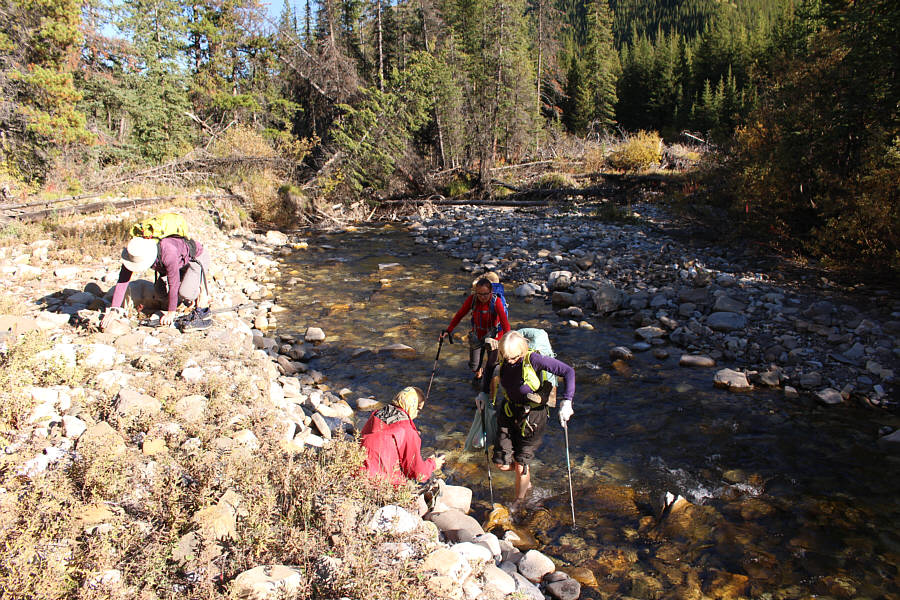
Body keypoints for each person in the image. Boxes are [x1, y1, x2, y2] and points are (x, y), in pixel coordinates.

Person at [486, 330, 575, 510]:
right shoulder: (504, 357)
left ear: (523, 350)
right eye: (506, 357)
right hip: (509, 412)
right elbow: (490, 370)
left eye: (513, 358)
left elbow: (568, 371)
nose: (509, 361)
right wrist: (482, 393)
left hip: (533, 417)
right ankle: (526, 478)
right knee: (501, 463)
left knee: (520, 464)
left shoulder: (533, 359)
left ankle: (518, 504)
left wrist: (567, 401)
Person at [101, 234, 211, 331]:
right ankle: (188, 283)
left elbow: (174, 283)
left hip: (196, 260)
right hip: (178, 265)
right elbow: (123, 281)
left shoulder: (168, 253)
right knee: (160, 294)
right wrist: (114, 309)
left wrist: (171, 313)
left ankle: (202, 291)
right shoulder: (133, 254)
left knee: (186, 293)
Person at [360, 386, 445, 486]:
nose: (417, 414)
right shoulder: (406, 430)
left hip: (357, 472)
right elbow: (417, 473)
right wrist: (433, 464)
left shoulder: (377, 414)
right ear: (412, 405)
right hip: (379, 484)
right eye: (418, 409)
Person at [440, 276, 511, 392]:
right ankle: (479, 372)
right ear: (476, 292)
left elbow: (504, 323)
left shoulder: (496, 301)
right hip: (477, 334)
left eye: (485, 294)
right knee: (474, 366)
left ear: (491, 291)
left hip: (492, 336)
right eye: (480, 294)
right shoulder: (472, 299)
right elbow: (460, 315)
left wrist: (503, 340)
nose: (483, 297)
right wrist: (449, 330)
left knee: (491, 365)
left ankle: (487, 388)